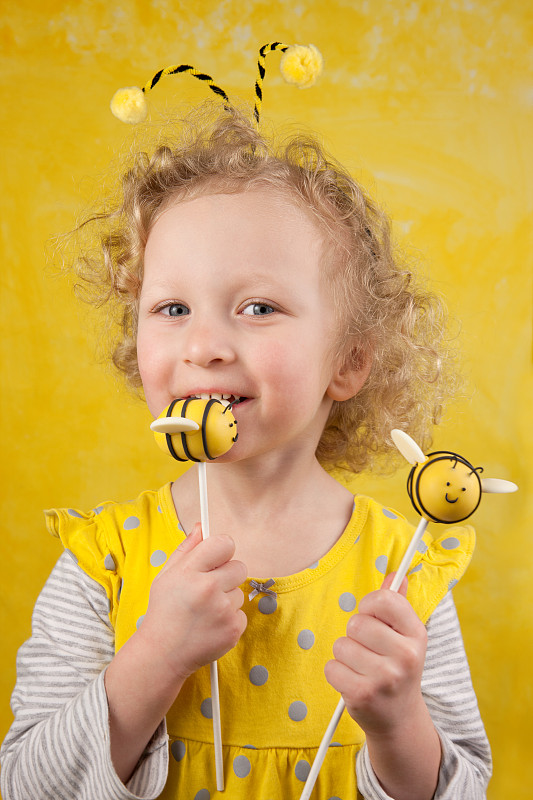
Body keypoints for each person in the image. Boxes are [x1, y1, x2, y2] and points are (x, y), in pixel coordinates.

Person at [0, 104, 491, 800]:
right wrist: (154, 658)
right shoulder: (100, 561)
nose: (204, 346)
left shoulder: (402, 572)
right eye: (171, 309)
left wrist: (397, 725)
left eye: (258, 308)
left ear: (348, 362)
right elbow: (24, 787)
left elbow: (463, 790)